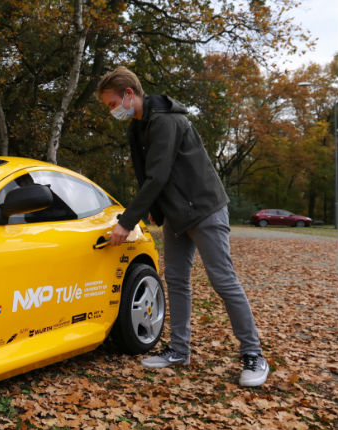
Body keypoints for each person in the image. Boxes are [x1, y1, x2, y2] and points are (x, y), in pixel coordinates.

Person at [96, 66, 269, 387]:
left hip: (204, 209)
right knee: (175, 281)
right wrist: (157, 211)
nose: (112, 111)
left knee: (223, 281)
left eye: (111, 103)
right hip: (177, 215)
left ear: (129, 95)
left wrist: (127, 221)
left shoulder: (166, 121)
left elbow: (157, 176)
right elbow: (149, 175)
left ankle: (253, 354)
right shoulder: (137, 127)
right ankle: (179, 350)